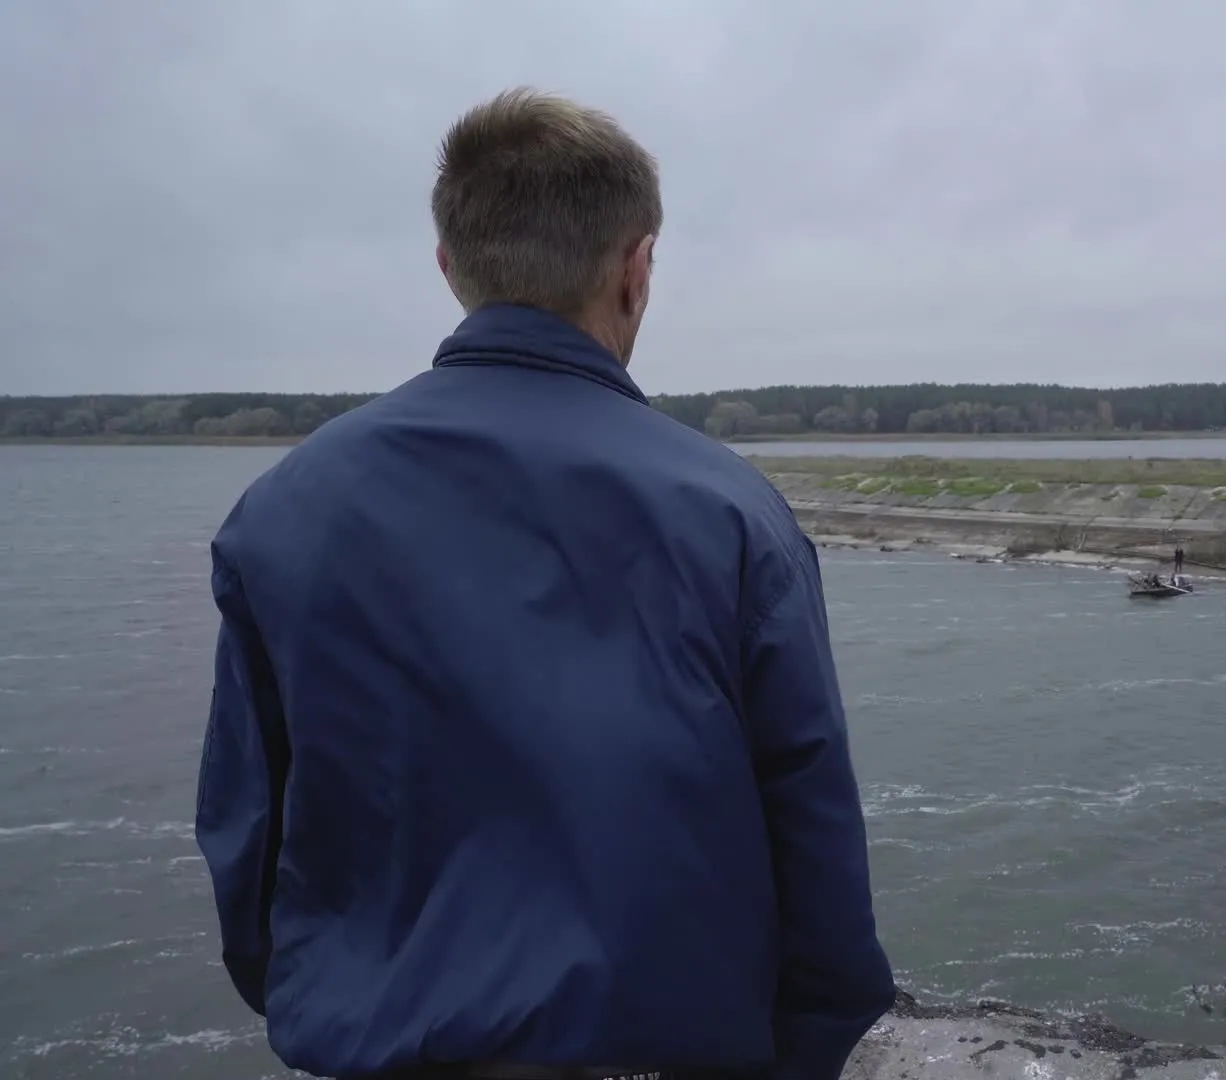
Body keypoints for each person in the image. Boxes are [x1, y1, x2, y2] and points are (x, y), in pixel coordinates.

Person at [194, 89, 895, 1080]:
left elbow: (245, 841)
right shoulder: (732, 515)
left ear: (450, 268)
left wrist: (352, 1001)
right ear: (637, 268)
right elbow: (816, 849)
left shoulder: (282, 512)